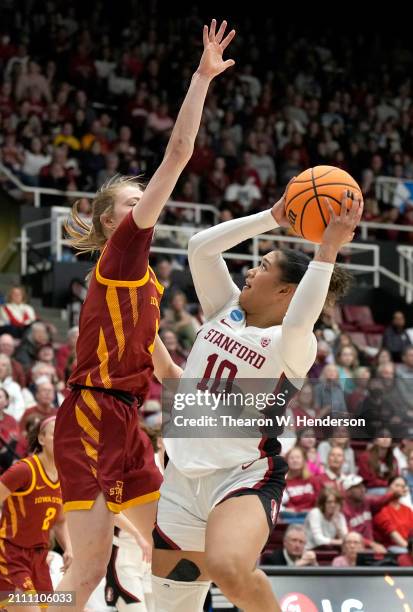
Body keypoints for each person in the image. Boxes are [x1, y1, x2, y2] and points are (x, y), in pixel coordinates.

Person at [53, 19, 236, 612]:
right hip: (87, 416)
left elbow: (166, 370)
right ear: (114, 222)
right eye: (134, 203)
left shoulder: (149, 284)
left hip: (128, 423)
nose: (145, 207)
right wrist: (202, 76)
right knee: (85, 574)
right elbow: (179, 154)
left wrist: (230, 407)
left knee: (182, 550)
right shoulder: (122, 253)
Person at [151, 184, 362, 612]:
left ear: (285, 292)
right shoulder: (224, 308)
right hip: (180, 476)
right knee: (172, 592)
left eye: (262, 266)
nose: (249, 271)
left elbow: (305, 315)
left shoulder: (293, 343)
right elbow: (200, 249)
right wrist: (273, 216)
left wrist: (327, 251)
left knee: (228, 568)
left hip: (242, 474)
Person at [0, 416, 72, 610]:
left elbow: (60, 521)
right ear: (41, 439)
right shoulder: (24, 470)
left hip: (39, 559)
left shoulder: (64, 476)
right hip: (11, 554)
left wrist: (68, 549)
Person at [341, 474, 389, 553]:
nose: (362, 489)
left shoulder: (366, 501)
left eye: (362, 486)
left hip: (370, 547)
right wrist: (372, 544)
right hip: (352, 548)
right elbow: (349, 535)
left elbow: (381, 500)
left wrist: (394, 493)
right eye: (358, 487)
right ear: (348, 492)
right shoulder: (343, 510)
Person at [373, 476, 413, 552]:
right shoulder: (380, 508)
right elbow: (391, 532)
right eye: (397, 485)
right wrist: (409, 548)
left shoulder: (407, 510)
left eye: (402, 486)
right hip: (390, 547)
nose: (399, 488)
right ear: (388, 487)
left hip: (408, 545)